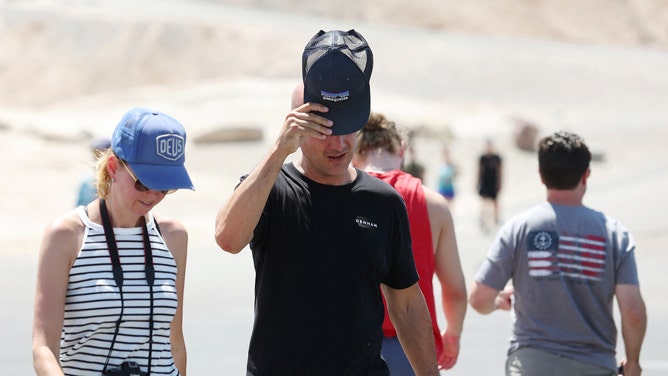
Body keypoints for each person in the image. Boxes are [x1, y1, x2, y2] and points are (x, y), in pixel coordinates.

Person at [214, 29, 439, 375]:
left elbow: (407, 304)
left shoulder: (384, 203)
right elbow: (227, 237)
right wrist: (279, 150)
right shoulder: (271, 190)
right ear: (298, 127)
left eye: (347, 128)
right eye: (323, 130)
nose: (338, 144)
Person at [469, 131, 647, 376]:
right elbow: (633, 310)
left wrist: (498, 302)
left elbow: (478, 299)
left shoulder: (519, 228)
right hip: (594, 364)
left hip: (531, 363)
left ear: (541, 176)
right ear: (586, 175)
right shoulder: (615, 234)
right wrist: (634, 362)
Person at [32, 107, 194, 375]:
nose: (154, 195)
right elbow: (43, 348)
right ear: (113, 167)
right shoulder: (66, 235)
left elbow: (174, 343)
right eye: (143, 183)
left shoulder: (174, 237)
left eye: (165, 186)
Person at [352, 112, 467, 374]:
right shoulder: (433, 204)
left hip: (353, 344)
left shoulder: (343, 196)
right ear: (401, 149)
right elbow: (456, 289)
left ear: (357, 152)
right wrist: (452, 336)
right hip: (413, 348)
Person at [75, 137, 111, 207]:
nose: (98, 159)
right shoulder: (87, 181)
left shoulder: (114, 181)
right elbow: (79, 206)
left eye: (100, 155)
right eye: (95, 155)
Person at [477, 139, 502, 232]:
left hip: (493, 183)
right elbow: (479, 170)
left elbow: (500, 171)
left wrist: (499, 183)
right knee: (483, 202)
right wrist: (477, 182)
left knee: (495, 202)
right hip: (485, 182)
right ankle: (482, 219)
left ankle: (496, 218)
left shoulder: (497, 158)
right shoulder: (483, 158)